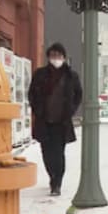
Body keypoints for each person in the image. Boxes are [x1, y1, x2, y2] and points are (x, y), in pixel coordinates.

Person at [28, 43, 83, 196]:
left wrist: (71, 110)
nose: (56, 59)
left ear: (64, 58)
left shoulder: (71, 76)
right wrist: (37, 110)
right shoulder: (40, 74)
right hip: (44, 121)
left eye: (59, 56)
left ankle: (57, 182)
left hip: (61, 122)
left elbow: (78, 94)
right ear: (48, 57)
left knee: (59, 153)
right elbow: (31, 93)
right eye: (53, 56)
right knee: (46, 152)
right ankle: (52, 175)